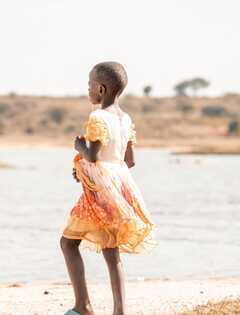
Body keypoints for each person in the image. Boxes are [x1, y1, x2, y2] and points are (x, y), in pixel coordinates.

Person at [60, 61, 157, 315]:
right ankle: (119, 311)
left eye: (90, 84)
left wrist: (79, 147)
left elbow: (92, 155)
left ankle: (83, 306)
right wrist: (87, 170)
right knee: (111, 251)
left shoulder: (97, 118)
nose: (88, 89)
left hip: (100, 191)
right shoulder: (125, 119)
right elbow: (129, 160)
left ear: (101, 89)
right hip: (120, 187)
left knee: (68, 243)